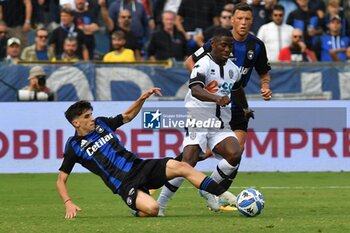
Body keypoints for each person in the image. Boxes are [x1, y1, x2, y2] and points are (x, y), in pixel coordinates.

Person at [158, 3, 272, 214]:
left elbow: (241, 86)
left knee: (235, 153)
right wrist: (214, 92)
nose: (243, 23)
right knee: (189, 161)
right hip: (201, 113)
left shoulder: (246, 55)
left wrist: (250, 103)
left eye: (248, 19)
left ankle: (209, 189)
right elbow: (193, 76)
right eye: (240, 18)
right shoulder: (208, 56)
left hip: (226, 115)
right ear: (232, 20)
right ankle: (161, 204)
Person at [56, 87, 237, 218]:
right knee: (153, 210)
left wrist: (142, 99)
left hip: (140, 166)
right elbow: (61, 180)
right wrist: (68, 202)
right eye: (87, 117)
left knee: (182, 166)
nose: (92, 119)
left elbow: (126, 116)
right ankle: (136, 207)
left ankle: (226, 197)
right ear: (76, 123)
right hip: (124, 184)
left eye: (91, 114)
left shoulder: (102, 124)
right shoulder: (74, 146)